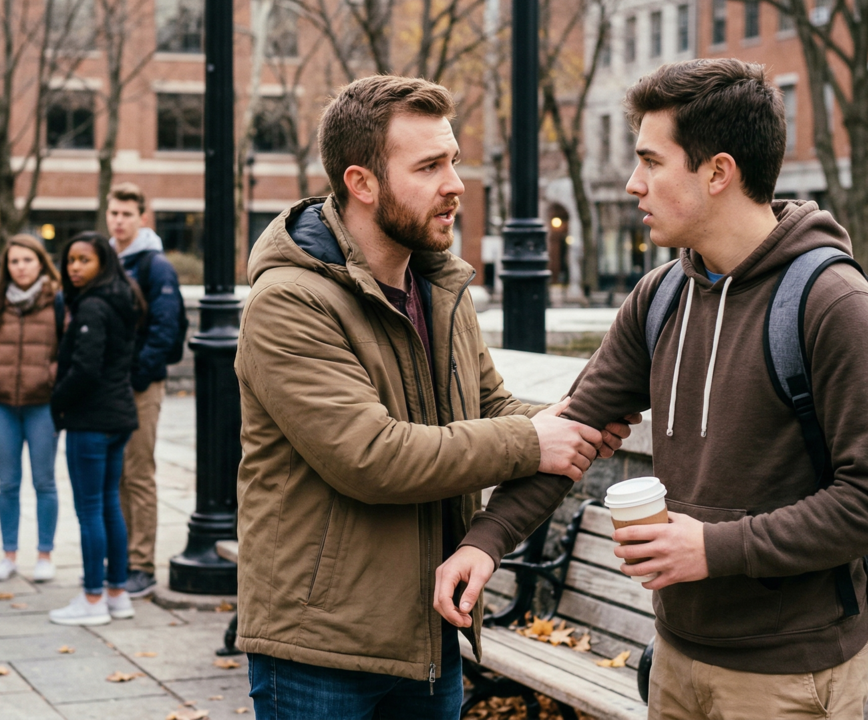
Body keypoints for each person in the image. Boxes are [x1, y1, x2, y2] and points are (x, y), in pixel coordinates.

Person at [435, 59, 868, 720]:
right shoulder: (660, 296)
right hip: (674, 655)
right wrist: (484, 543)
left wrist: (712, 548)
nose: (635, 184)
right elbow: (571, 431)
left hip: (788, 676)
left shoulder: (833, 305)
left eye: (652, 162)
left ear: (718, 172)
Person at [234, 75, 631, 718]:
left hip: (431, 632)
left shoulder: (439, 287)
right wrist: (535, 440)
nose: (455, 184)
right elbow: (372, 456)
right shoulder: (289, 302)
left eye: (452, 159)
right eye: (429, 166)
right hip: (321, 649)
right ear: (362, 183)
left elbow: (492, 411)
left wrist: (575, 420)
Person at [48, 231, 144, 626]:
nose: (73, 267)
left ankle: (92, 599)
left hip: (92, 420)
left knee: (91, 509)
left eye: (83, 260)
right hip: (117, 416)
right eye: (70, 260)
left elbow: (85, 369)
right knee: (107, 506)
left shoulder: (92, 307)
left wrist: (57, 402)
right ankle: (117, 593)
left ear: (103, 262)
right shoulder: (121, 299)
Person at [106, 182, 184, 599]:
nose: (118, 221)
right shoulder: (108, 260)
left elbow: (166, 328)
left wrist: (139, 374)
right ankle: (120, 559)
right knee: (116, 474)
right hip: (111, 387)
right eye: (113, 213)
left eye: (126, 214)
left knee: (137, 474)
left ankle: (141, 564)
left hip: (139, 386)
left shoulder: (155, 265)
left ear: (142, 217)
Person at [0, 234, 62, 583]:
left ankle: (44, 554)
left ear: (40, 262)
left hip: (42, 405)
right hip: (2, 404)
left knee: (44, 482)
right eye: (14, 261)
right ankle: (9, 555)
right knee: (7, 483)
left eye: (27, 260)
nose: (20, 267)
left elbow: (67, 346)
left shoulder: (56, 298)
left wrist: (49, 377)